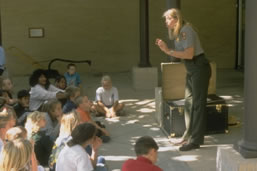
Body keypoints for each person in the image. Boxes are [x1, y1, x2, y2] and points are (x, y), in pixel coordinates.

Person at [156, 8, 211, 151]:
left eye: (168, 18)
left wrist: (168, 51)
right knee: (189, 103)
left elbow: (189, 54)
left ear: (176, 19)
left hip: (199, 67)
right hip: (192, 69)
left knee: (198, 105)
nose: (166, 21)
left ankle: (195, 141)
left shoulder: (186, 30)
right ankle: (188, 135)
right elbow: (181, 54)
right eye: (166, 19)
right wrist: (166, 49)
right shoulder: (178, 33)